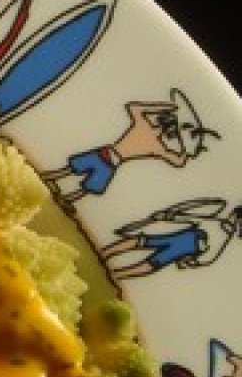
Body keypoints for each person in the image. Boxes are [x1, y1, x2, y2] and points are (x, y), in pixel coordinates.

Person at [42, 94, 217, 208]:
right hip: (108, 154)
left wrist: (188, 149)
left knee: (90, 183)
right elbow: (133, 107)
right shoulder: (153, 140)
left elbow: (134, 108)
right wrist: (187, 151)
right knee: (76, 170)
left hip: (113, 161)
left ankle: (65, 196)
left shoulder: (155, 142)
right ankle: (50, 179)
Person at [101, 198, 241, 279]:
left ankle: (116, 275)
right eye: (236, 218)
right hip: (173, 237)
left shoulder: (222, 241)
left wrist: (191, 261)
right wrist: (169, 216)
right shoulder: (212, 221)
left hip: (179, 250)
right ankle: (104, 253)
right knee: (140, 241)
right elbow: (191, 218)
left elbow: (210, 258)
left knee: (152, 264)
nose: (233, 222)